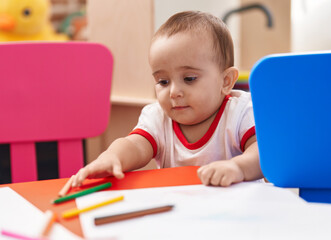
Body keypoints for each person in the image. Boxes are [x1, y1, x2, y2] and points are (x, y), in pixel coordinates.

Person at [72, 11, 263, 187]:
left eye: (189, 79)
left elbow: (263, 152)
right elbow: (135, 145)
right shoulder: (158, 117)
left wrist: (238, 168)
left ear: (226, 81)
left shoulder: (240, 111)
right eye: (163, 81)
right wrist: (112, 157)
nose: (173, 92)